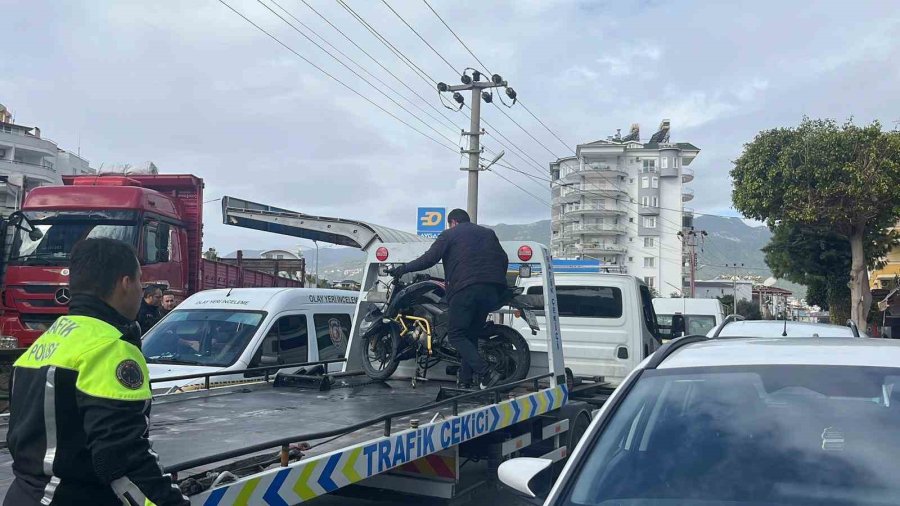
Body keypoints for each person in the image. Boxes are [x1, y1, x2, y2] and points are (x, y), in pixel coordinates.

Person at [5, 238, 189, 505]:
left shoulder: (45, 342)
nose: (141, 290)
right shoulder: (110, 348)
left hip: (23, 494)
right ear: (125, 283)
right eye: (140, 281)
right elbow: (121, 457)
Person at [388, 209, 508, 389]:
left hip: (466, 289)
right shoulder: (488, 233)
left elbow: (429, 259)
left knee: (455, 335)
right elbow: (504, 258)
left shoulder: (450, 234)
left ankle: (487, 373)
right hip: (492, 290)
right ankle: (466, 381)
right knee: (470, 335)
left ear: (453, 222)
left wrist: (403, 269)